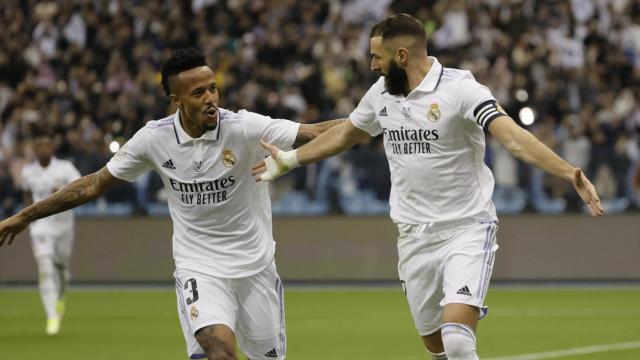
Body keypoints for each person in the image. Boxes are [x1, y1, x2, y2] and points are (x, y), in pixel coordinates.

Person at [252, 14, 604, 360]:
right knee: (436, 349)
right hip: (413, 237)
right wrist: (289, 160)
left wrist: (567, 171)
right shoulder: (381, 95)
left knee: (458, 342)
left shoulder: (461, 89)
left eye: (377, 56)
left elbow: (511, 137)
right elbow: (345, 135)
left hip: (466, 229)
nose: (372, 65)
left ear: (401, 56)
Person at [0, 47, 342, 360]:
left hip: (256, 268)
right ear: (176, 100)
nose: (210, 99)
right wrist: (25, 216)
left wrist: (371, 121)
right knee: (219, 352)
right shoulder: (154, 138)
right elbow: (93, 184)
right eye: (198, 92)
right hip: (200, 268)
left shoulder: (244, 127)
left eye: (212, 88)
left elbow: (315, 132)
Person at [20, 131, 81, 335]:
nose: (43, 149)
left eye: (47, 145)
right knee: (45, 266)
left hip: (63, 225)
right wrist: (29, 219)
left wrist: (63, 191)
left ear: (52, 148)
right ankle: (52, 317)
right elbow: (27, 194)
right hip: (41, 226)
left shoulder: (65, 168)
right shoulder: (28, 172)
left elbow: (80, 189)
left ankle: (60, 298)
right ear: (35, 150)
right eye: (39, 146)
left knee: (61, 268)